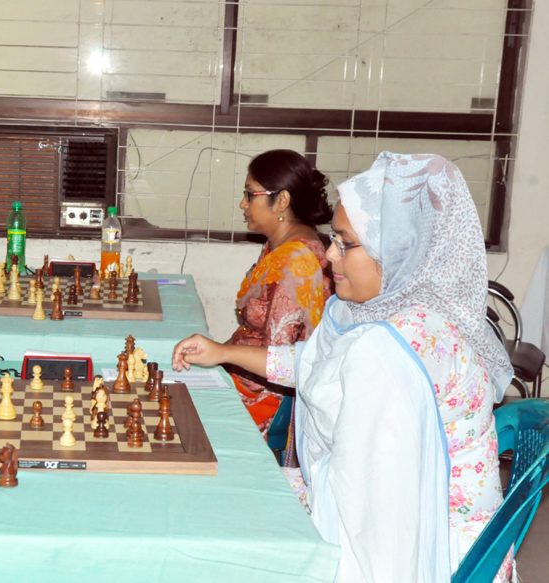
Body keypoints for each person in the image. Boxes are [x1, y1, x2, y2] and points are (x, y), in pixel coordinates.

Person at [173, 152, 513, 582]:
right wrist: (223, 352)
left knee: (218, 523)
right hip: (387, 510)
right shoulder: (385, 312)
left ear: (398, 253)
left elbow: (368, 513)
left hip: (424, 549)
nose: (329, 255)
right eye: (334, 238)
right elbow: (315, 363)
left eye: (346, 243)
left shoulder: (392, 349)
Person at [229, 150, 333, 453]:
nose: (243, 204)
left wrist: (222, 358)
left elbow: (278, 360)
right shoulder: (278, 245)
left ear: (282, 201)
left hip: (265, 399)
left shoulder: (297, 260)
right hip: (248, 377)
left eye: (250, 195)